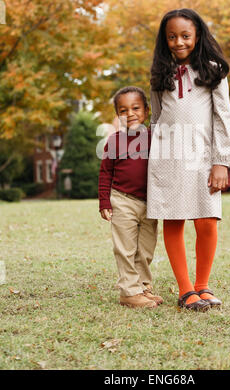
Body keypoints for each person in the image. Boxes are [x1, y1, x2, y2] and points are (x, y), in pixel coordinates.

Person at [147, 9, 230, 311]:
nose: (178, 42)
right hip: (168, 157)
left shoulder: (213, 70)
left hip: (202, 156)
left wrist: (221, 161)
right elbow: (157, 118)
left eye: (185, 35)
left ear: (197, 36)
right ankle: (186, 291)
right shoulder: (160, 75)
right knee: (174, 219)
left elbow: (223, 117)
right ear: (165, 40)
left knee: (207, 220)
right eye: (172, 37)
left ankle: (202, 286)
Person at [99, 86, 163, 309]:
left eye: (135, 108)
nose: (130, 114)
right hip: (122, 199)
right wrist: (104, 201)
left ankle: (143, 286)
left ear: (146, 111)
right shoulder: (114, 141)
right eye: (123, 111)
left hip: (150, 202)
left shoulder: (155, 138)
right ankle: (128, 291)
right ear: (118, 116)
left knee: (145, 248)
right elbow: (105, 172)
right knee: (125, 248)